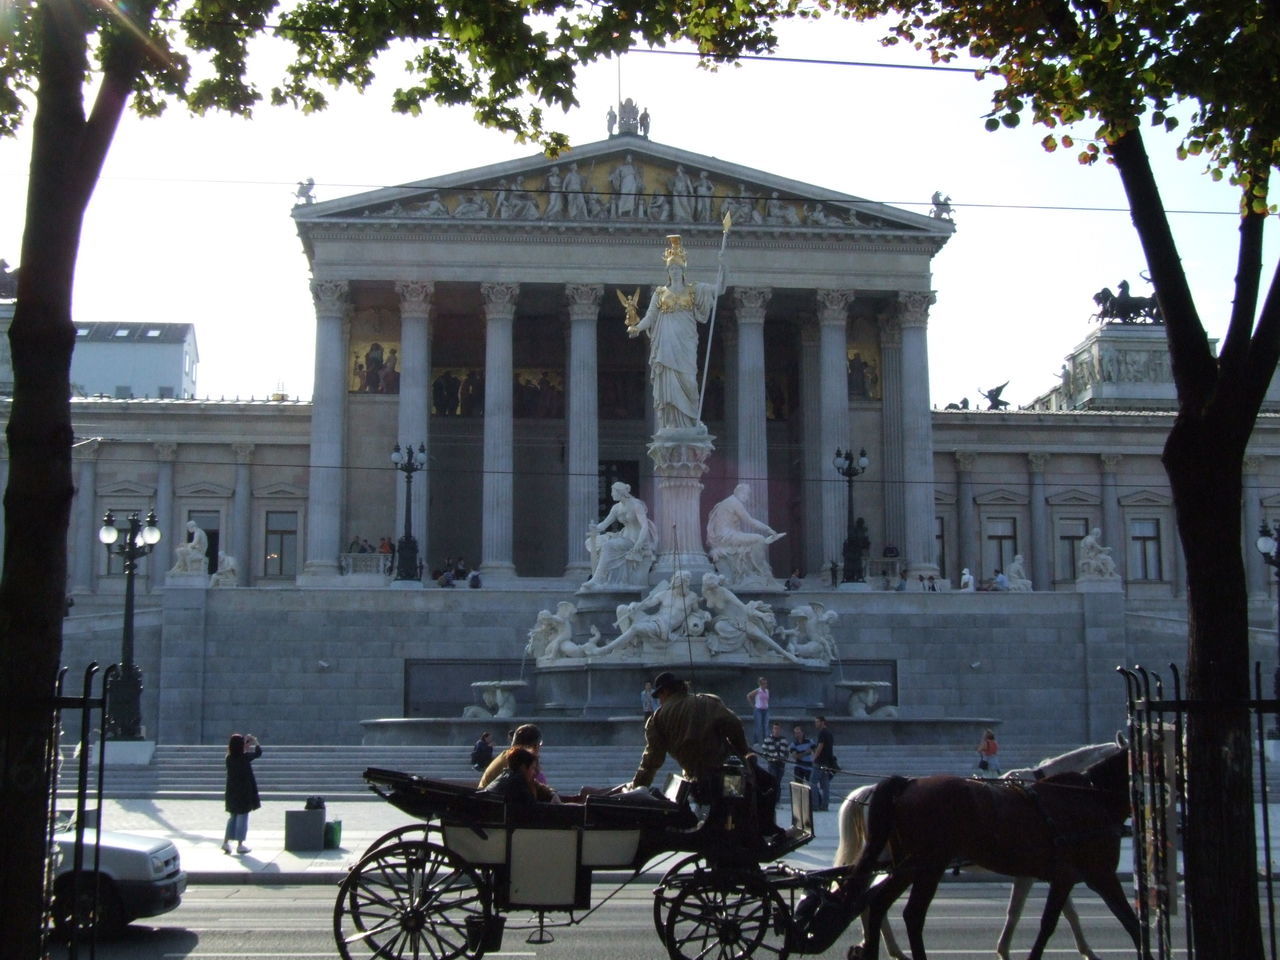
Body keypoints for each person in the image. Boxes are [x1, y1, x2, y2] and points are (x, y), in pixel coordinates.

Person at [628, 235, 722, 431]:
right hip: (666, 346)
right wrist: (637, 327)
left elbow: (719, 289)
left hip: (685, 344)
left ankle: (691, 422)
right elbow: (650, 317)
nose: (675, 271)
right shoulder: (660, 293)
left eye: (678, 268)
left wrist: (725, 268)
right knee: (667, 388)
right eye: (671, 269)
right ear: (668, 272)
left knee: (689, 383)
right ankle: (671, 425)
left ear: (683, 270)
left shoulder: (694, 290)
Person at [631, 671, 752, 803]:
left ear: (665, 692)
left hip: (696, 781)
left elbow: (652, 759)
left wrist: (638, 787)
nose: (660, 701)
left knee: (713, 811)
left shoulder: (658, 718)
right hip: (727, 776)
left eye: (659, 696)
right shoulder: (707, 701)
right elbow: (734, 724)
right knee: (745, 800)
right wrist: (743, 752)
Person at [583, 481, 657, 589]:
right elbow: (604, 525)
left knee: (608, 546)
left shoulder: (636, 505)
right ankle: (604, 576)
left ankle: (597, 578)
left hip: (635, 540)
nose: (612, 494)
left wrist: (639, 543)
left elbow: (645, 526)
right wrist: (595, 527)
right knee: (592, 542)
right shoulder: (616, 508)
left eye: (613, 492)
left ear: (620, 492)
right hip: (623, 537)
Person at [706, 483, 783, 586]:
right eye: (747, 494)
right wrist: (768, 529)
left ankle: (756, 572)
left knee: (753, 539)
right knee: (759, 539)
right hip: (728, 536)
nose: (747, 498)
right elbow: (750, 521)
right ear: (739, 492)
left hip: (724, 536)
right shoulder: (735, 502)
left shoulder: (727, 501)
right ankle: (760, 571)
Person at [479, 723, 558, 801]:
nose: (538, 750)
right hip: (495, 807)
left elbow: (534, 784)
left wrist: (551, 794)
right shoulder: (514, 763)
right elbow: (528, 792)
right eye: (537, 746)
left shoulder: (509, 758)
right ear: (533, 747)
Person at [222, 733, 261, 854]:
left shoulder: (228, 758)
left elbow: (240, 752)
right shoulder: (244, 757)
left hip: (232, 792)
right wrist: (255, 741)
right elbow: (258, 753)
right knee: (242, 818)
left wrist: (245, 746)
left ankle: (226, 842)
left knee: (233, 818)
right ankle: (240, 844)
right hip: (244, 792)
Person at [810, 716, 838, 811]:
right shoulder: (829, 733)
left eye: (817, 722)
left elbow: (820, 746)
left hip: (819, 762)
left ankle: (815, 805)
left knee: (813, 783)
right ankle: (824, 805)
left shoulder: (822, 733)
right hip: (827, 763)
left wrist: (814, 758)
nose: (816, 724)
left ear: (823, 722)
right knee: (825, 785)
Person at [759, 721, 790, 797]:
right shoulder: (767, 739)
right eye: (775, 728)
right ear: (773, 729)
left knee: (778, 782)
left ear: (780, 729)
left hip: (781, 764)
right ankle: (772, 799)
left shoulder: (784, 740)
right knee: (773, 781)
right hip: (772, 763)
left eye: (778, 728)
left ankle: (777, 799)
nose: (776, 730)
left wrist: (784, 758)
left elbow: (787, 751)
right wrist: (771, 758)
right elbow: (764, 753)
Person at [746, 677, 771, 746]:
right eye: (763, 683)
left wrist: (766, 705)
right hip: (758, 710)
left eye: (765, 683)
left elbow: (766, 700)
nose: (765, 685)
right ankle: (755, 742)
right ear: (760, 684)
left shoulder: (767, 691)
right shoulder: (757, 690)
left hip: (766, 710)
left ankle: (766, 741)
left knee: (765, 726)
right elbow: (748, 696)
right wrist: (753, 706)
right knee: (758, 726)